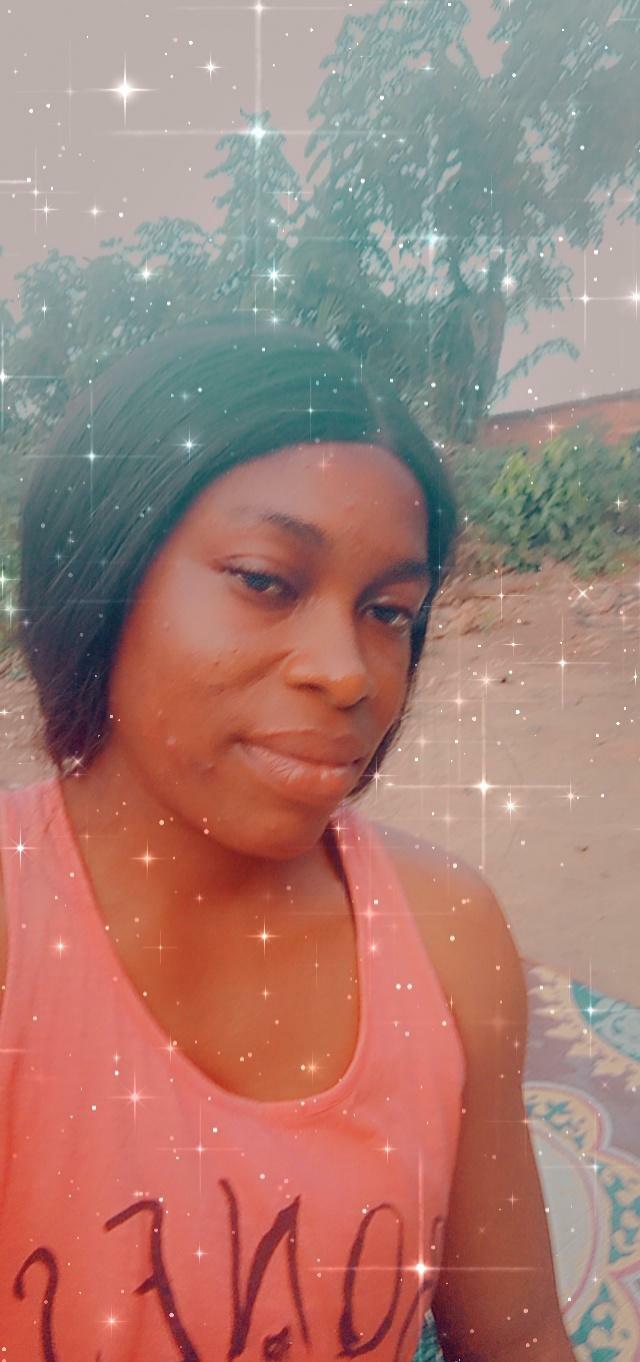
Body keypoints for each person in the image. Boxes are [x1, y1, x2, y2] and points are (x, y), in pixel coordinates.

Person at [0, 318, 578, 1361]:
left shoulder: (444, 936)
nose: (346, 673)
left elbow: (519, 1332)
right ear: (102, 573)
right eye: (265, 581)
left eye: (388, 612)